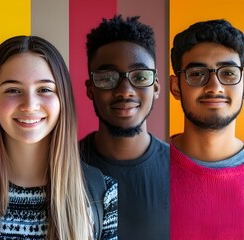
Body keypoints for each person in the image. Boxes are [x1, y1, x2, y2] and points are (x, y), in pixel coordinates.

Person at [0, 36, 118, 239]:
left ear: (62, 99)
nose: (29, 104)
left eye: (44, 89)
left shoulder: (106, 195)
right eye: (13, 90)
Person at [79, 15, 170, 239]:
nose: (125, 91)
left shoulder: (182, 173)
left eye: (139, 77)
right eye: (108, 78)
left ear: (156, 87)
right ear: (90, 89)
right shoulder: (61, 167)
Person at [170, 19, 244, 239]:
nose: (214, 87)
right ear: (176, 87)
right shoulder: (145, 173)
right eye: (197, 74)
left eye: (228, 73)